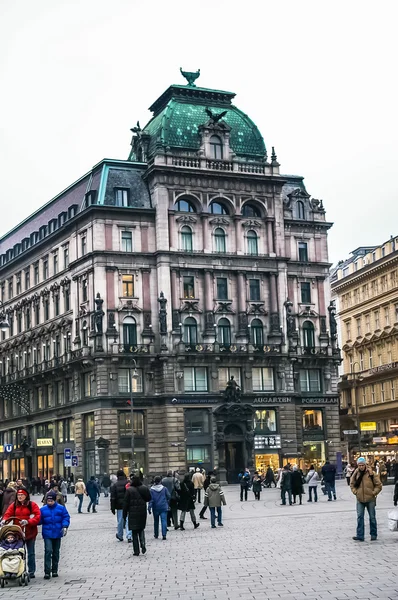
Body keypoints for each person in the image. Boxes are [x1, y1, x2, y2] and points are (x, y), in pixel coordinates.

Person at [2, 487, 41, 578]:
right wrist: (4, 520)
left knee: (31, 553)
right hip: (18, 533)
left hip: (30, 532)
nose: (20, 497)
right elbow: (8, 514)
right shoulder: (14, 505)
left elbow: (37, 516)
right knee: (19, 552)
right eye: (18, 495)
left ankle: (31, 571)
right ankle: (19, 569)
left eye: (22, 495)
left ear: (26, 496)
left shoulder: (32, 505)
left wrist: (28, 521)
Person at [350, 457, 382, 541]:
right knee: (360, 517)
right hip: (360, 499)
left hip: (370, 499)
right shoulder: (356, 473)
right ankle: (360, 535)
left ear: (365, 465)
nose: (361, 467)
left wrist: (373, 493)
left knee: (372, 517)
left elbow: (379, 485)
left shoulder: (371, 473)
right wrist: (355, 492)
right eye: (359, 465)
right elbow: (352, 484)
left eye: (362, 465)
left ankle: (373, 534)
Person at [39, 490, 70, 579]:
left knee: (56, 552)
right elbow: (39, 520)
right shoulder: (43, 509)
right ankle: (47, 571)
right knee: (48, 551)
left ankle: (55, 570)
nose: (50, 502)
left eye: (51, 501)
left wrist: (65, 526)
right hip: (47, 533)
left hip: (57, 533)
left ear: (54, 500)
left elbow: (66, 517)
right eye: (48, 501)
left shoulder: (61, 508)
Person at [123, 476, 151, 556]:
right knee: (141, 529)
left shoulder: (129, 490)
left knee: (134, 532)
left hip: (132, 513)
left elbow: (125, 503)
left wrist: (124, 515)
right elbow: (149, 498)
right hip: (142, 512)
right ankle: (143, 543)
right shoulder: (144, 488)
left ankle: (136, 550)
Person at [111, 469, 132, 543]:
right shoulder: (128, 483)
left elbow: (113, 498)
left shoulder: (115, 485)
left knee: (120, 521)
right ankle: (129, 536)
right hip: (128, 505)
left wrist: (112, 508)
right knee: (128, 520)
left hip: (119, 506)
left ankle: (120, 535)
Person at [148, 476, 170, 540]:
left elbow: (151, 500)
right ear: (160, 481)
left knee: (156, 521)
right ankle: (164, 535)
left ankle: (156, 534)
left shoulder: (151, 490)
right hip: (163, 506)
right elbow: (168, 496)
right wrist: (166, 502)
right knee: (164, 520)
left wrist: (149, 507)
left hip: (155, 507)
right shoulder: (164, 488)